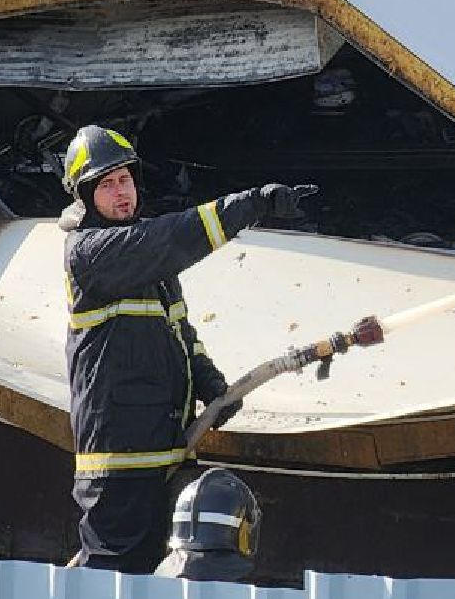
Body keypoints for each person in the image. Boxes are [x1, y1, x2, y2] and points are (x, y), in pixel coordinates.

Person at [59, 124, 313, 571]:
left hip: (168, 457)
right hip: (119, 470)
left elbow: (179, 332)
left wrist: (211, 384)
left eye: (125, 179)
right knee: (108, 590)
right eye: (106, 185)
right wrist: (251, 205)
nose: (121, 192)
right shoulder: (92, 254)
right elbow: (176, 237)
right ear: (84, 196)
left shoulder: (149, 261)